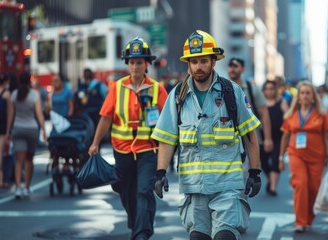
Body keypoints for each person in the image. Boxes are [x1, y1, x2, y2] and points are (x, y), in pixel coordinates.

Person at [151, 30, 261, 240]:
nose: (198, 66)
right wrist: (160, 173)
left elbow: (249, 135)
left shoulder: (231, 92)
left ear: (213, 61)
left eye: (203, 61)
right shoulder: (177, 96)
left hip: (227, 186)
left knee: (224, 237)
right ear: (188, 64)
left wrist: (255, 172)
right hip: (194, 188)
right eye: (194, 62)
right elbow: (166, 139)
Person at [88, 36, 168, 240]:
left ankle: (141, 233)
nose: (135, 66)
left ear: (146, 64)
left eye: (139, 62)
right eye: (132, 62)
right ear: (127, 64)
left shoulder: (157, 88)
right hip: (122, 150)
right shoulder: (117, 87)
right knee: (125, 191)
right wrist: (95, 143)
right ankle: (135, 220)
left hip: (148, 151)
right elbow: (106, 117)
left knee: (144, 191)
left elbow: (168, 121)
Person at [279, 81, 328, 233]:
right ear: (298, 96)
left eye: (307, 93)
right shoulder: (291, 115)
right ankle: (300, 221)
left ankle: (308, 217)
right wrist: (280, 157)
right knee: (301, 184)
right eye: (302, 93)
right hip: (296, 154)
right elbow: (285, 137)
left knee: (313, 188)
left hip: (317, 156)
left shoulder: (322, 114)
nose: (304, 96)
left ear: (313, 96)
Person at [227, 57, 273, 198]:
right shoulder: (222, 88)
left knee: (245, 175)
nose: (232, 69)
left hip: (249, 138)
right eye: (230, 66)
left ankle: (240, 203)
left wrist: (268, 138)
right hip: (228, 139)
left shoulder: (252, 88)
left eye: (235, 66)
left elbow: (264, 113)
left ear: (242, 69)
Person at [11, 72, 47, 198]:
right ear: (29, 82)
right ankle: (26, 187)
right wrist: (44, 130)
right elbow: (39, 114)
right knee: (29, 160)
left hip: (17, 128)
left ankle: (17, 188)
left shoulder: (14, 95)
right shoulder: (34, 95)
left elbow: (11, 115)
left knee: (18, 160)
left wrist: (8, 131)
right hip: (31, 129)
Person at [261, 80, 284, 196]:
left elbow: (288, 116)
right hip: (263, 136)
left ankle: (273, 187)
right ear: (263, 90)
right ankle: (270, 178)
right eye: (267, 88)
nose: (269, 91)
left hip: (279, 137)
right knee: (263, 161)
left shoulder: (281, 102)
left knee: (276, 160)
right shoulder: (261, 104)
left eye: (272, 88)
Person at [0, 73, 14, 187]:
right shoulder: (7, 94)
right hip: (2, 126)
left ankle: (0, 177)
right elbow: (10, 113)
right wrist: (8, 130)